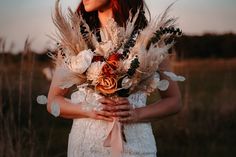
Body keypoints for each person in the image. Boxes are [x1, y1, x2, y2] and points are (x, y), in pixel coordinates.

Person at [47, 0, 182, 156]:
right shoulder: (74, 41)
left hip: (137, 148)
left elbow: (174, 101)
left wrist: (138, 114)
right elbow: (53, 101)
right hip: (86, 147)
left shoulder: (149, 41)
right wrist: (87, 109)